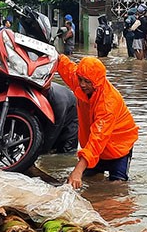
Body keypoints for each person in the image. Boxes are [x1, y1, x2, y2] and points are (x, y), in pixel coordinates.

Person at [57, 55, 138, 188]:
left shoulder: (108, 103)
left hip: (119, 147)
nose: (82, 84)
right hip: (96, 149)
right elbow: (65, 66)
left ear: (97, 81)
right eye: (81, 79)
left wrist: (77, 170)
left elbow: (98, 138)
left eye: (87, 81)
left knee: (117, 187)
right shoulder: (79, 83)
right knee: (89, 181)